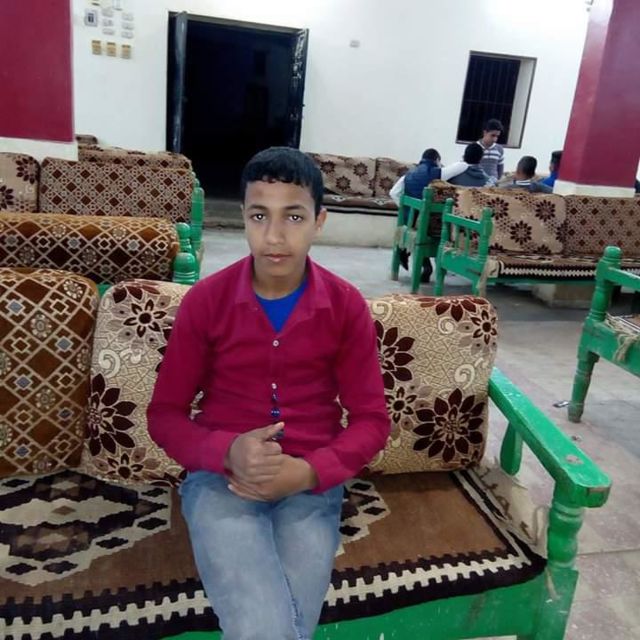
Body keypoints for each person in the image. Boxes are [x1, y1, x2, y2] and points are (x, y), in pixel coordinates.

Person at [147, 147, 390, 640]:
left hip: (310, 486)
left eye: (293, 217)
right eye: (260, 216)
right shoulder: (206, 302)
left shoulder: (345, 306)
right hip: (221, 482)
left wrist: (310, 471)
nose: (275, 236)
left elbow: (372, 421)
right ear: (243, 217)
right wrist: (226, 451)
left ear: (319, 221)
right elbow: (164, 414)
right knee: (266, 626)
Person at [390, 148, 467, 282]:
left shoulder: (407, 175)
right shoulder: (439, 173)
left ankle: (416, 259)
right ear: (436, 160)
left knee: (420, 230)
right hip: (432, 224)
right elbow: (462, 166)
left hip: (410, 221)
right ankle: (437, 267)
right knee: (440, 226)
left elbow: (393, 193)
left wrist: (406, 207)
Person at [478, 118, 505, 182]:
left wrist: (497, 181)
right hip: (477, 183)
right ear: (485, 133)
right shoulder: (474, 148)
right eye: (492, 135)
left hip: (493, 184)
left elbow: (500, 168)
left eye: (497, 136)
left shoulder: (499, 149)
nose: (495, 139)